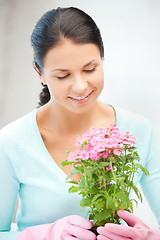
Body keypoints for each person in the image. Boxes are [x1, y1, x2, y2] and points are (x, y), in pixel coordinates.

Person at [0, 6, 160, 240]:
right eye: (62, 75)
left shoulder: (140, 132)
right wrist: (45, 234)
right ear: (40, 73)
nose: (80, 86)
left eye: (90, 69)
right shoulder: (10, 142)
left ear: (102, 59)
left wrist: (149, 237)